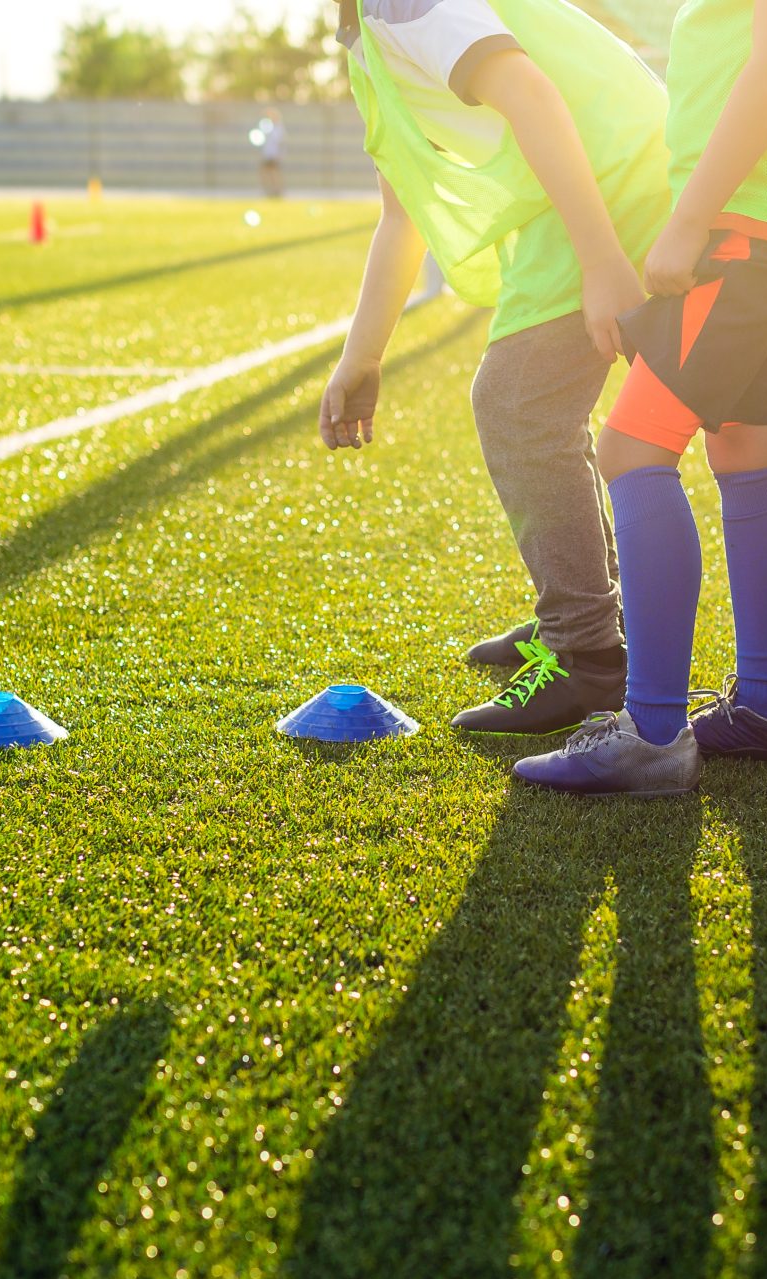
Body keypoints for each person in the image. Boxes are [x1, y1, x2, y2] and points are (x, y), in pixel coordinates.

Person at [513, 0, 767, 795]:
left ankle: (652, 732)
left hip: (751, 215)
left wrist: (690, 217)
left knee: (631, 449)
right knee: (744, 443)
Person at [321, 0, 671, 736]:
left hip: (609, 175)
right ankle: (585, 624)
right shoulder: (365, 31)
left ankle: (588, 656)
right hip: (601, 172)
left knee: (517, 403)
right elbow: (401, 213)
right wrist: (364, 354)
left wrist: (603, 260)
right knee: (533, 406)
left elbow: (530, 93)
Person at [257, 107, 286, 199]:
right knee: (266, 173)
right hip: (268, 154)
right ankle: (271, 190)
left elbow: (281, 142)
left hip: (274, 154)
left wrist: (279, 154)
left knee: (274, 173)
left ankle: (277, 191)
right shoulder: (269, 126)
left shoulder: (279, 128)